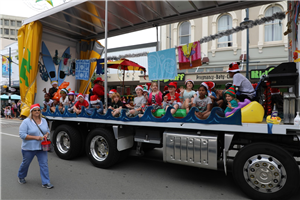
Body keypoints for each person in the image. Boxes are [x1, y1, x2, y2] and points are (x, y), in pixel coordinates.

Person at [18, 104, 54, 189]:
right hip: (28, 148)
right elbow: (22, 135)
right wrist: (35, 137)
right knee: (26, 164)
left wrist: (46, 134)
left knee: (44, 164)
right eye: (35, 110)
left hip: (42, 147)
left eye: (38, 110)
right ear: (31, 112)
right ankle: (21, 176)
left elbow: (47, 130)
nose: (37, 111)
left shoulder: (44, 120)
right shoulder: (26, 122)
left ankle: (46, 182)